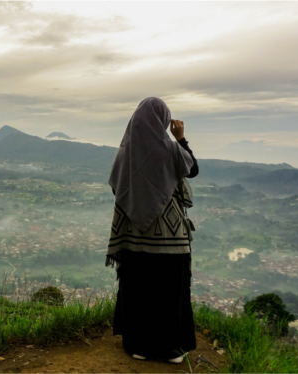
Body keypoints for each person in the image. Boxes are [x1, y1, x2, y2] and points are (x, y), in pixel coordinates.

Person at [107, 97, 199, 363]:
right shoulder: (171, 149)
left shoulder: (126, 151)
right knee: (170, 290)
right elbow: (192, 168)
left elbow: (116, 187)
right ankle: (171, 350)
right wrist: (180, 139)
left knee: (139, 288)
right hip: (170, 236)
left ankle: (139, 346)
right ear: (163, 119)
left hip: (133, 235)